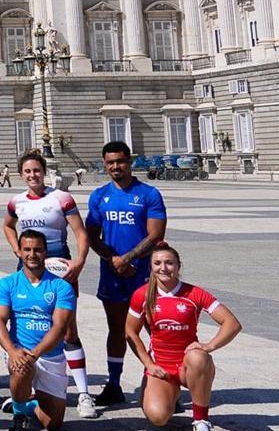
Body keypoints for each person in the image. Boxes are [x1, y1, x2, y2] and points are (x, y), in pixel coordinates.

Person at [4, 153, 95, 417]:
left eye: (36, 170)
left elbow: (80, 232)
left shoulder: (61, 198)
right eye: (27, 171)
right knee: (25, 323)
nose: (32, 175)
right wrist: (16, 250)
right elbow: (8, 225)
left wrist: (78, 262)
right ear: (21, 174)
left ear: (44, 172)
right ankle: (30, 389)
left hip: (59, 264)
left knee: (68, 329)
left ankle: (84, 393)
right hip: (29, 264)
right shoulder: (16, 201)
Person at [85, 140, 167, 407]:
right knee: (116, 329)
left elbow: (156, 234)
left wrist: (129, 258)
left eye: (120, 161)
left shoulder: (149, 194)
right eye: (110, 162)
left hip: (143, 272)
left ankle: (162, 383)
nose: (115, 167)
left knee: (155, 329)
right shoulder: (98, 196)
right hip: (112, 272)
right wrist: (113, 259)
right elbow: (91, 236)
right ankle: (114, 383)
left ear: (130, 162)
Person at [125, 243, 241, 431]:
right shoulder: (142, 294)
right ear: (151, 267)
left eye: (169, 263)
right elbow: (130, 332)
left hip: (188, 365)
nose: (163, 268)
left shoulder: (194, 293)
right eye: (157, 263)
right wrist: (149, 364)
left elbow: (232, 324)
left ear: (178, 266)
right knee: (158, 418)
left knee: (198, 357)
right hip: (161, 366)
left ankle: (200, 419)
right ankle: (168, 393)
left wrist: (209, 346)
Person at [0, 230, 78, 431]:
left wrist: (35, 354)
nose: (32, 254)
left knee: (53, 425)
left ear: (45, 252)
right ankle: (19, 413)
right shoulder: (7, 283)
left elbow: (60, 326)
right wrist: (13, 352)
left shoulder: (62, 287)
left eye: (38, 250)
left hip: (51, 356)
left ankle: (30, 404)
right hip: (20, 351)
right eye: (27, 249)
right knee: (22, 368)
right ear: (19, 252)